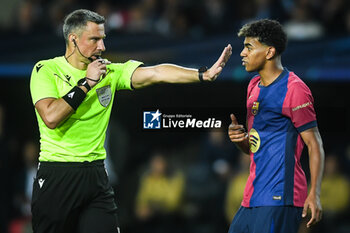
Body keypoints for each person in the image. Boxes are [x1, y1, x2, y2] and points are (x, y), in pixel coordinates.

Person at [29, 9, 231, 233]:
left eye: (103, 39)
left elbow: (156, 73)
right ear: (73, 39)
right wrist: (86, 84)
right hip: (58, 175)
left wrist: (202, 74)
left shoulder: (110, 72)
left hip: (96, 175)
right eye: (94, 39)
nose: (102, 47)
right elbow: (51, 117)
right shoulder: (46, 69)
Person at [227, 19, 324, 233]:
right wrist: (240, 141)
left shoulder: (294, 89)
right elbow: (253, 147)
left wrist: (314, 193)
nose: (242, 53)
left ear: (270, 52)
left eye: (249, 47)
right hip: (251, 196)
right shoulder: (253, 86)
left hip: (279, 197)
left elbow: (314, 143)